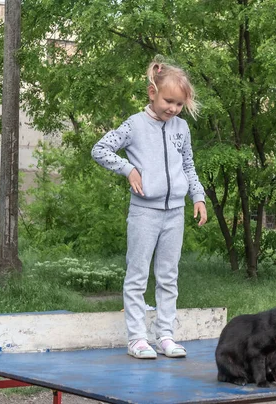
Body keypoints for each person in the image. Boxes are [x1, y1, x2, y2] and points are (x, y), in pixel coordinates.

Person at [91, 56, 208, 359]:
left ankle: (165, 335)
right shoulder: (135, 125)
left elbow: (188, 165)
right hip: (144, 212)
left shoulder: (181, 128)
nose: (173, 109)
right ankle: (137, 339)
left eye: (180, 104)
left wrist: (197, 196)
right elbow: (100, 149)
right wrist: (128, 169)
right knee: (138, 274)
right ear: (152, 93)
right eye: (169, 101)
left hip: (174, 213)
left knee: (169, 275)